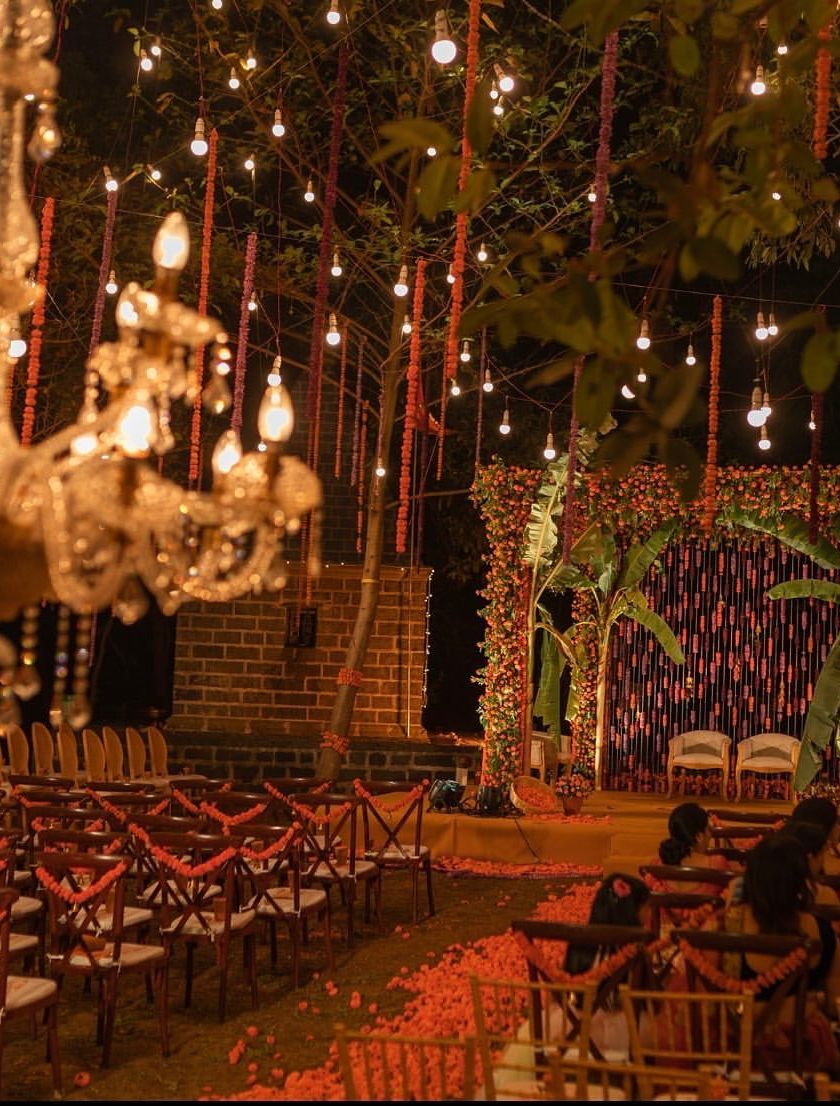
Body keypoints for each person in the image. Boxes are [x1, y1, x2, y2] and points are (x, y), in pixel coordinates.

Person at [736, 834, 839, 1073]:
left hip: (737, 1050)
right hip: (805, 1053)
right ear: (801, 882)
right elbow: (835, 1002)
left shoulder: (727, 925)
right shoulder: (821, 931)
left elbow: (704, 1000)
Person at [654, 802, 729, 893]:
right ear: (699, 837)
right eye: (708, 829)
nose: (710, 834)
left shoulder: (657, 865)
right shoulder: (716, 864)